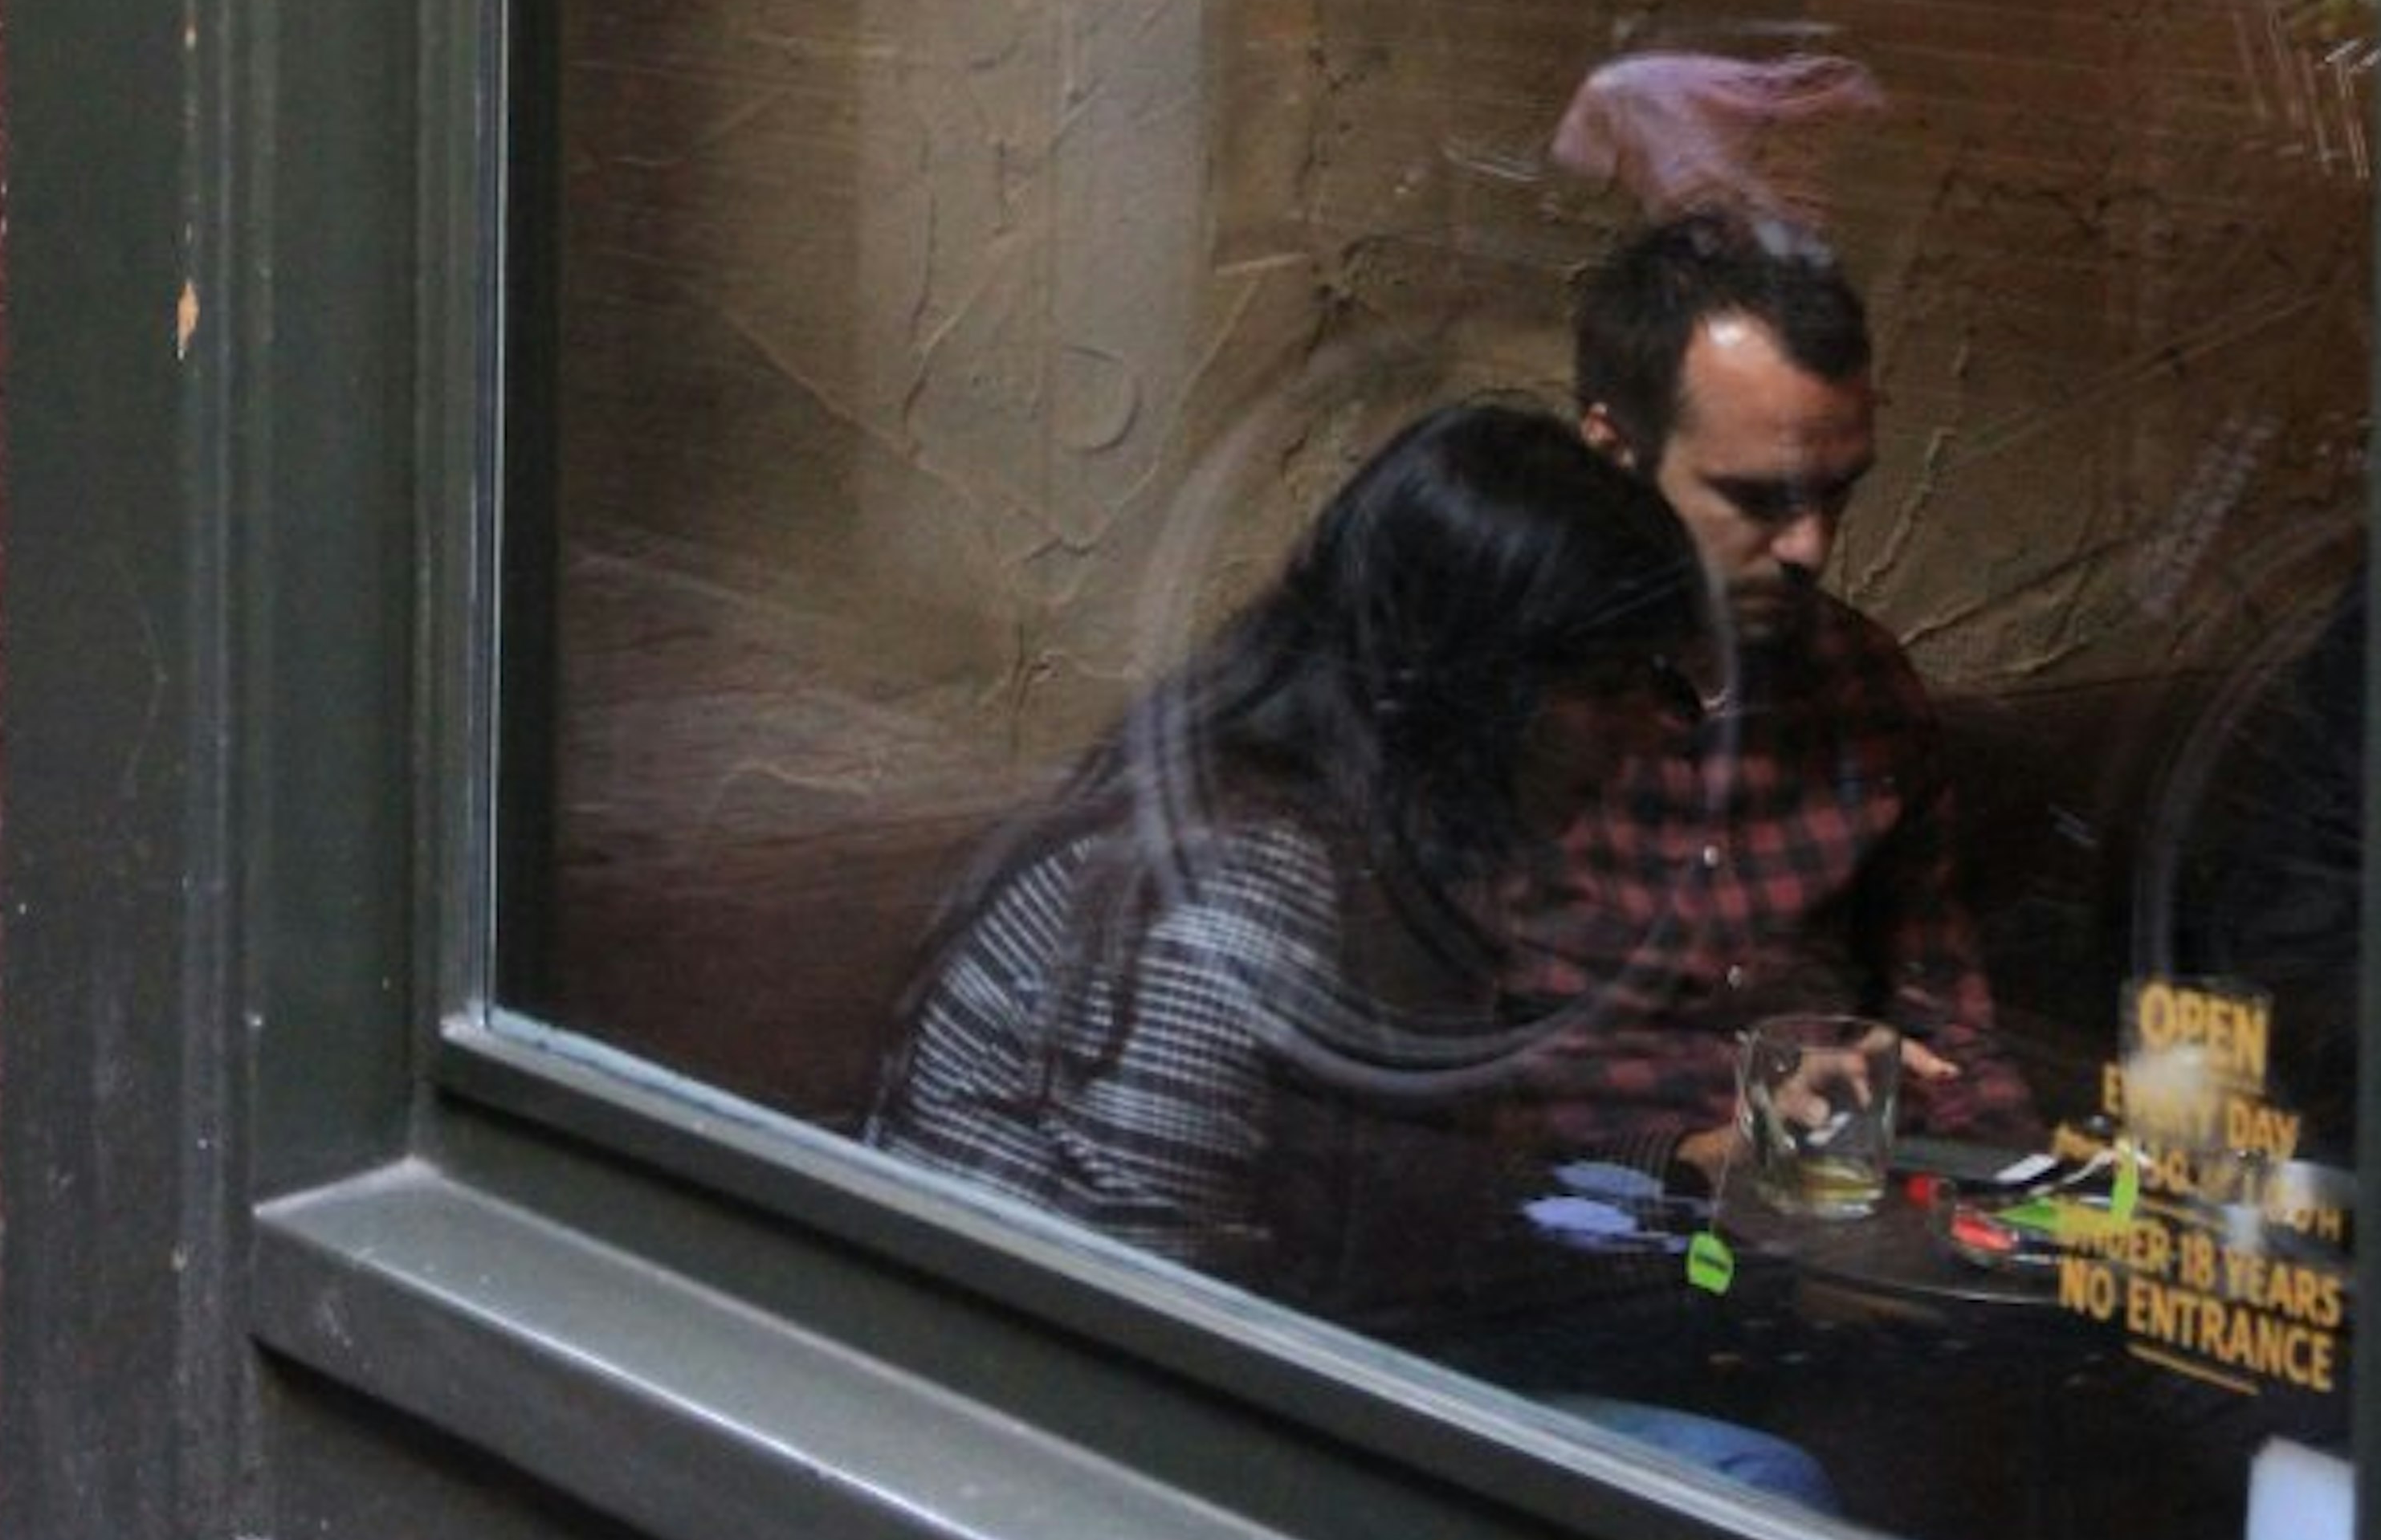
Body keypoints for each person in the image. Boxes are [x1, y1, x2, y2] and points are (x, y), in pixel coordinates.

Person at [864, 397, 1722, 1321]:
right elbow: (1157, 1312)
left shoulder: (1390, 851)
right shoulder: (1250, 884)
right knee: (1750, 1468)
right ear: (1471, 682)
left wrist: (1681, 1193)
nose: (1643, 735)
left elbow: (1447, 1203)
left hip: (1269, 1347)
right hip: (1050, 1392)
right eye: (1602, 688)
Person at [1498, 207, 2030, 1182]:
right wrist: (1692, 1159)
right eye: (1759, 498)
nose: (1811, 547)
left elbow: (1951, 1031)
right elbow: (1424, 1102)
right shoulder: (1504, 692)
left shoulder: (1858, 683)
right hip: (1551, 1245)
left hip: (1817, 1225)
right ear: (1615, 455)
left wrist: (2037, 1209)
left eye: (1838, 491)